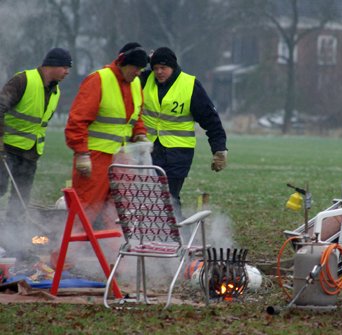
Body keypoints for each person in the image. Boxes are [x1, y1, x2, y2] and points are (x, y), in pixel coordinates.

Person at [65, 42, 149, 228]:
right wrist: (81, 153)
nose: (138, 73)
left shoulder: (135, 84)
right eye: (136, 68)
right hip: (96, 157)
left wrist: (140, 134)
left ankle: (115, 254)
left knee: (120, 210)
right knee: (85, 207)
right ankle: (66, 255)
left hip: (122, 157)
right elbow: (77, 120)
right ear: (123, 63)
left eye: (141, 69)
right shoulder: (98, 80)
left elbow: (136, 116)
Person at [139, 47, 227, 218]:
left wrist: (219, 150)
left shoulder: (190, 85)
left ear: (173, 66)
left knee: (168, 197)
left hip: (178, 154)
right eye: (155, 68)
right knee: (149, 196)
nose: (159, 72)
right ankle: (163, 236)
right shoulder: (143, 80)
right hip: (149, 150)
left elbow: (211, 120)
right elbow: (128, 65)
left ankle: (176, 237)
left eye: (163, 68)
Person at [0, 48, 72, 227]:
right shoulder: (22, 80)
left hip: (30, 154)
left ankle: (11, 242)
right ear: (52, 64)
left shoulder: (56, 92)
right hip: (6, 149)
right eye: (64, 67)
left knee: (20, 199)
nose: (67, 72)